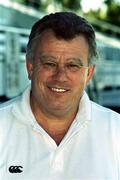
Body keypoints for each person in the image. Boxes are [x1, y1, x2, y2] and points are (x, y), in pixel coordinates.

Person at [0, 12, 120, 180]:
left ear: (89, 74)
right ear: (30, 67)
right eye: (49, 63)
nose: (60, 77)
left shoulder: (115, 130)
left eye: (72, 65)